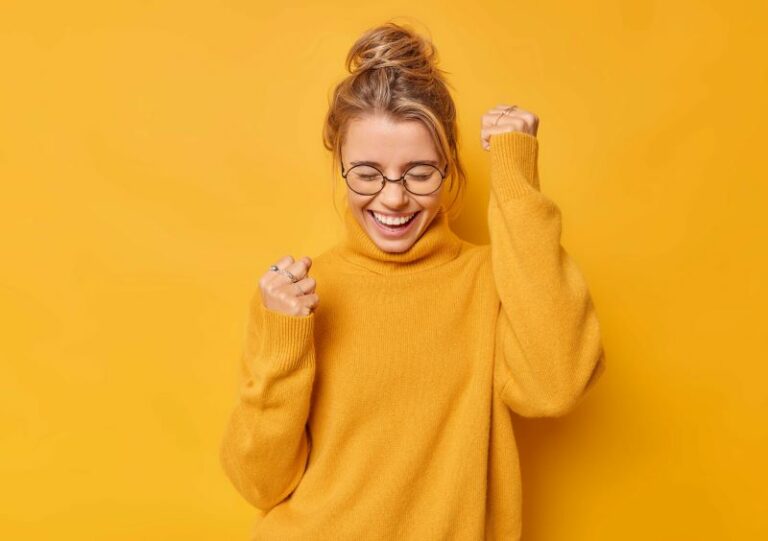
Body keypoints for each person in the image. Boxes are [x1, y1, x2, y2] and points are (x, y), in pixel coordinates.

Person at [219, 21, 606, 541]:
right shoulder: (300, 294)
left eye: (420, 172)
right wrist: (284, 347)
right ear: (339, 164)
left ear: (449, 167)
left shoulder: (491, 280)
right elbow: (259, 484)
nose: (394, 198)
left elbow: (556, 386)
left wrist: (515, 180)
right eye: (367, 172)